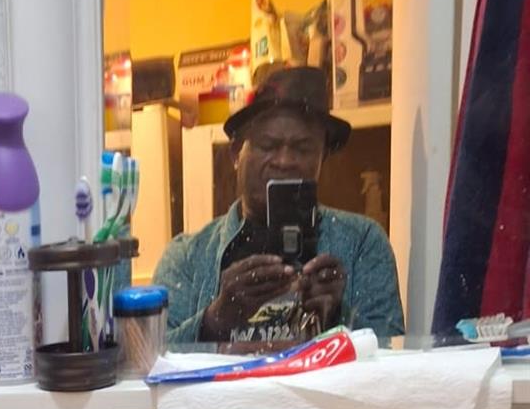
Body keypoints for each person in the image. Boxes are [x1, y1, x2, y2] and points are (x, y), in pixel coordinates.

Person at [153, 67, 404, 344]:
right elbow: (152, 359)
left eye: (303, 148)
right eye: (268, 145)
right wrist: (215, 320)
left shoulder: (362, 243)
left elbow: (390, 353)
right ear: (236, 152)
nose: (284, 161)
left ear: (322, 157)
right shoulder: (186, 258)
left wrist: (337, 316)